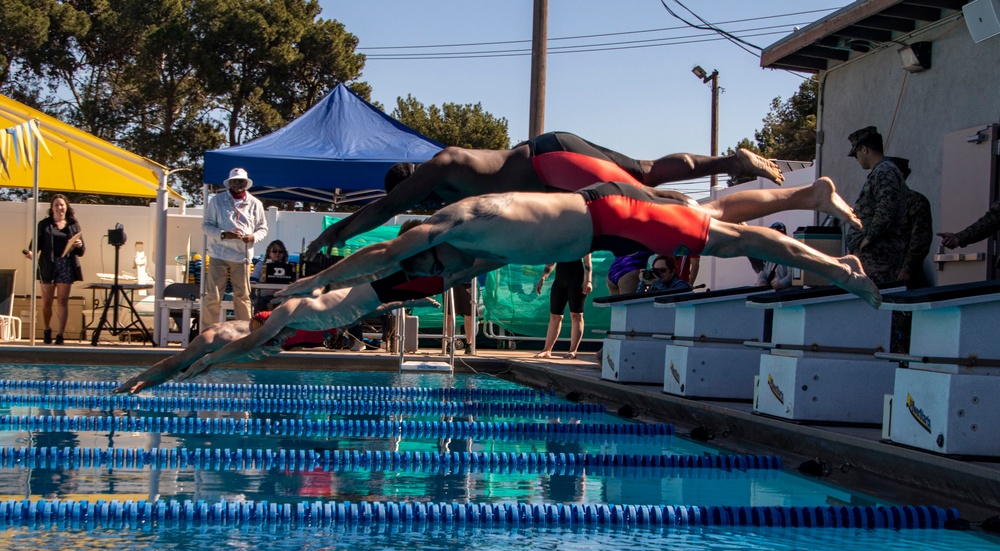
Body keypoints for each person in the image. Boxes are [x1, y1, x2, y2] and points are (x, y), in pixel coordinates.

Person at [276, 181, 881, 308]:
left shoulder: (455, 225)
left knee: (728, 240)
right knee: (712, 210)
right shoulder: (483, 250)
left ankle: (840, 268)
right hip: (606, 213)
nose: (445, 271)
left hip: (611, 216)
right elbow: (411, 280)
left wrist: (314, 278)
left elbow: (386, 255)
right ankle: (812, 192)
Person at [303, 131, 792, 257]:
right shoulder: (450, 185)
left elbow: (388, 206)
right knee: (645, 172)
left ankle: (724, 207)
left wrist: (336, 235)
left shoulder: (442, 164)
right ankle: (735, 163)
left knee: (643, 191)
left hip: (549, 162)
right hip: (553, 154)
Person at [114, 271, 443, 393]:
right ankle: (133, 383)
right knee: (183, 363)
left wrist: (411, 301)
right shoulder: (290, 318)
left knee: (185, 365)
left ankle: (138, 384)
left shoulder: (321, 316)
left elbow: (372, 306)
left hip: (255, 333)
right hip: (232, 335)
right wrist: (211, 360)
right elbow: (253, 340)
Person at [202, 167, 268, 327]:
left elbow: (263, 228)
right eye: (234, 181)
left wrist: (252, 237)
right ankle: (207, 335)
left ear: (246, 183)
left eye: (241, 181)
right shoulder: (216, 200)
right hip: (219, 254)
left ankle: (244, 333)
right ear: (229, 183)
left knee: (243, 296)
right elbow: (206, 226)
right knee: (213, 296)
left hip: (243, 256)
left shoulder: (255, 203)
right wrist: (224, 234)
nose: (238, 184)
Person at [844, 126, 909, 284]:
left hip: (879, 257)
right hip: (874, 256)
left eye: (856, 154)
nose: (857, 159)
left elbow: (887, 208)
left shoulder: (884, 171)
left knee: (875, 300)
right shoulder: (881, 171)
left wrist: (869, 238)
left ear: (864, 149)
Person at [23, 194, 85, 345]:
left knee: (63, 301)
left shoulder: (73, 225)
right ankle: (47, 329)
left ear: (66, 207)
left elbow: (82, 251)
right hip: (48, 266)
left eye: (62, 205)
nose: (59, 207)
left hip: (66, 265)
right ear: (52, 208)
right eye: (56, 205)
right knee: (47, 302)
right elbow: (35, 245)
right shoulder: (44, 224)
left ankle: (60, 334)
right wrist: (31, 253)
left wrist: (79, 245)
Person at [533, 255, 593, 360]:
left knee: (576, 315)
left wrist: (588, 281)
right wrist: (543, 277)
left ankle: (572, 350)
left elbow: (587, 262)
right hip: (560, 281)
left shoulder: (581, 241)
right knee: (555, 316)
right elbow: (551, 260)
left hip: (577, 281)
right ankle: (547, 350)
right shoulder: (560, 243)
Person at [887, 157, 933, 290]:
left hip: (904, 277)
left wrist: (907, 269)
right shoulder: (876, 202)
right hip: (878, 275)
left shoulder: (915, 202)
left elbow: (920, 239)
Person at [250, 239, 292, 312]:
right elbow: (253, 280)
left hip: (282, 296)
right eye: (274, 251)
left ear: (284, 253)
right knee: (258, 304)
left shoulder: (289, 266)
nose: (277, 253)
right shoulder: (261, 265)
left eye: (280, 251)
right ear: (269, 253)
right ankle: (260, 323)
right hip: (264, 296)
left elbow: (295, 281)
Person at [755, 222, 794, 290]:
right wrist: (762, 284)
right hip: (772, 292)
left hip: (785, 294)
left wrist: (776, 286)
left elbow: (792, 277)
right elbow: (762, 274)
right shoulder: (769, 255)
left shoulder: (790, 254)